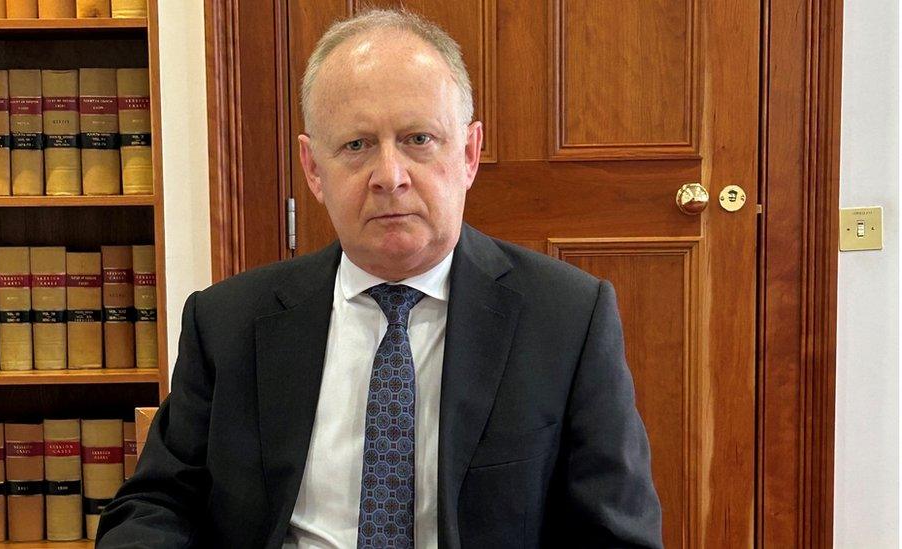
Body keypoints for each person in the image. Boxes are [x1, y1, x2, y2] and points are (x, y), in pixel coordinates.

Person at [96, 8, 661, 549]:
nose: (389, 177)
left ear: (468, 153)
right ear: (314, 169)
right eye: (357, 145)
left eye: (419, 139)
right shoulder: (227, 322)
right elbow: (157, 506)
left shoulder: (567, 319)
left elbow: (616, 536)